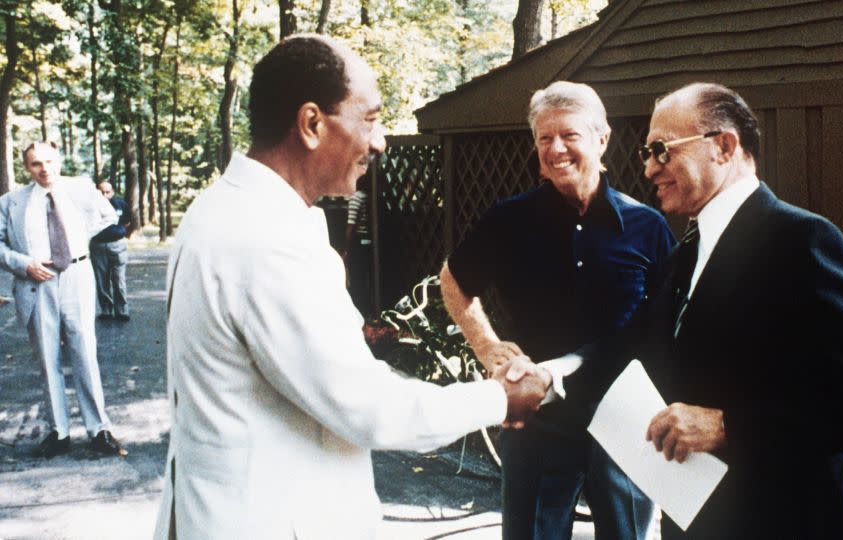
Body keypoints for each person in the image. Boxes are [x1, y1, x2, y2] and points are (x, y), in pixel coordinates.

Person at [152, 34, 551, 540]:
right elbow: (367, 407)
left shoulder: (217, 211)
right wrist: (499, 399)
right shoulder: (268, 239)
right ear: (312, 123)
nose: (380, 141)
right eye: (371, 119)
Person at [583, 82, 843, 539]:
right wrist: (545, 378)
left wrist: (729, 425)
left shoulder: (802, 241)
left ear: (724, 146)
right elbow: (629, 352)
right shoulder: (681, 259)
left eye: (661, 150)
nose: (651, 168)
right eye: (646, 154)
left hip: (795, 521)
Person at [440, 81, 675, 540]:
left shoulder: (647, 227)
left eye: (569, 135)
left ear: (601, 139)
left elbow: (666, 324)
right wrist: (487, 345)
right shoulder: (509, 220)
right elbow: (454, 279)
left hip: (624, 418)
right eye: (545, 138)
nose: (556, 149)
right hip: (537, 418)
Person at [0, 141, 126, 458]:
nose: (45, 169)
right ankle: (59, 431)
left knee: (85, 353)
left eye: (49, 161)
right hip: (36, 282)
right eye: (36, 164)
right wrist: (23, 263)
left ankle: (99, 429)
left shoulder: (81, 189)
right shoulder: (12, 202)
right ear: (27, 168)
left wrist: (80, 239)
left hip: (76, 276)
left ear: (59, 161)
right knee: (47, 358)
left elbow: (108, 215)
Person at [90, 181, 132, 321]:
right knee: (101, 279)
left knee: (119, 278)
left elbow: (127, 221)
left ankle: (122, 310)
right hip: (98, 245)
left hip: (117, 245)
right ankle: (106, 310)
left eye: (107, 192)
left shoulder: (120, 204)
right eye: (101, 192)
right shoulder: (90, 207)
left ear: (112, 192)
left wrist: (118, 233)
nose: (104, 195)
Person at [343, 174, 374, 315]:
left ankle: (359, 309)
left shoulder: (357, 197)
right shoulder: (372, 196)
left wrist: (346, 247)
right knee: (369, 277)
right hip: (371, 242)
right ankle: (369, 308)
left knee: (357, 278)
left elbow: (351, 225)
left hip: (360, 243)